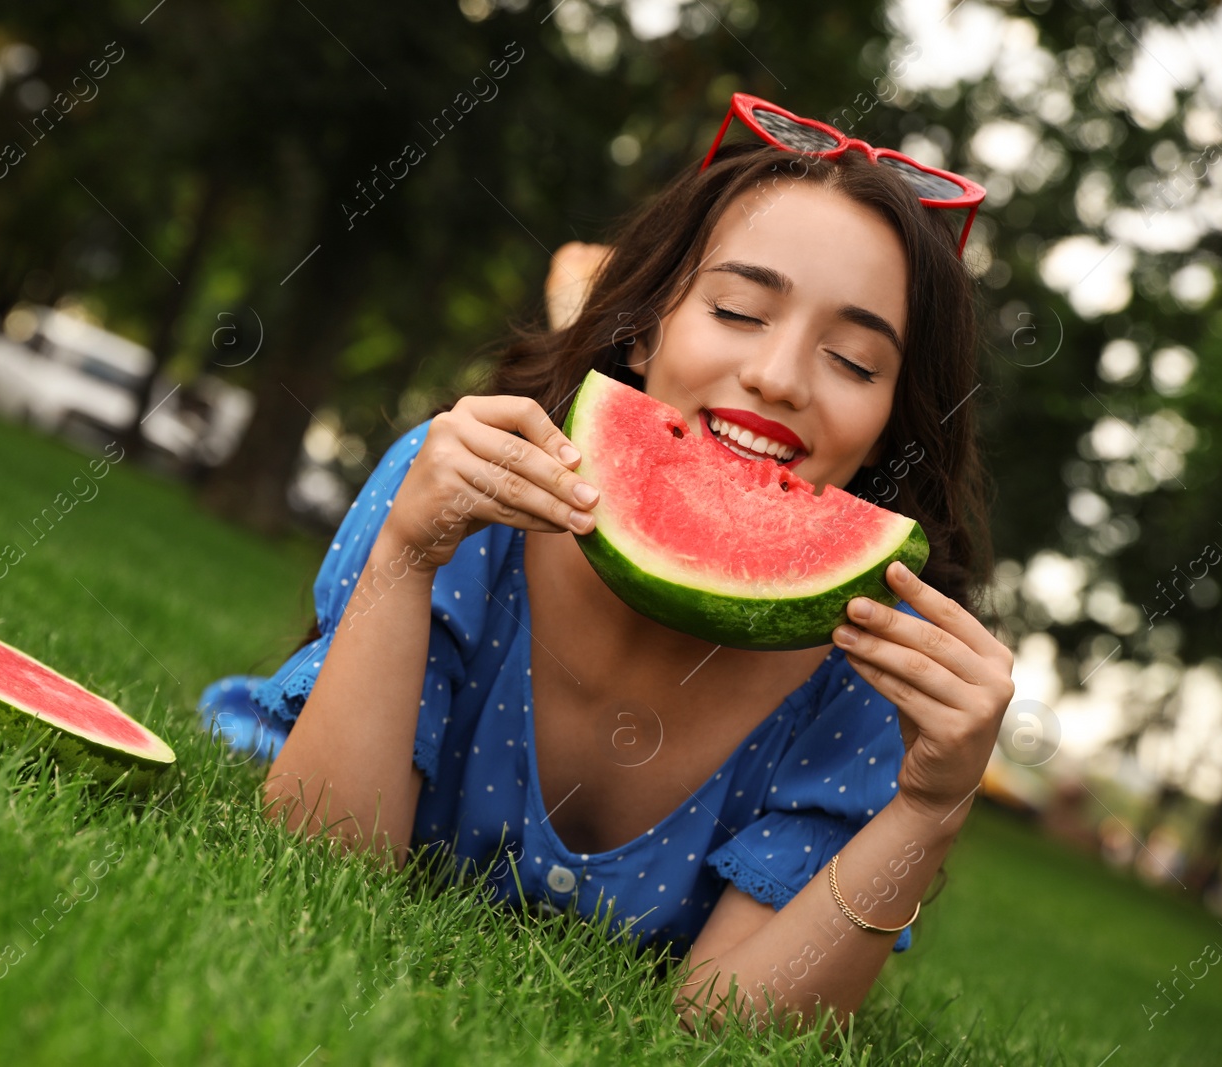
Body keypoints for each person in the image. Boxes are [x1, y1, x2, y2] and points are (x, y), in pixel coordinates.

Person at [198, 93, 1015, 1035]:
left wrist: (930, 807)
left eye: (856, 363)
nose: (781, 377)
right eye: (739, 309)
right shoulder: (471, 498)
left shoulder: (876, 664)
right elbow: (319, 860)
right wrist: (406, 554)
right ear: (640, 326)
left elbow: (724, 1027)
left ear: (890, 429)